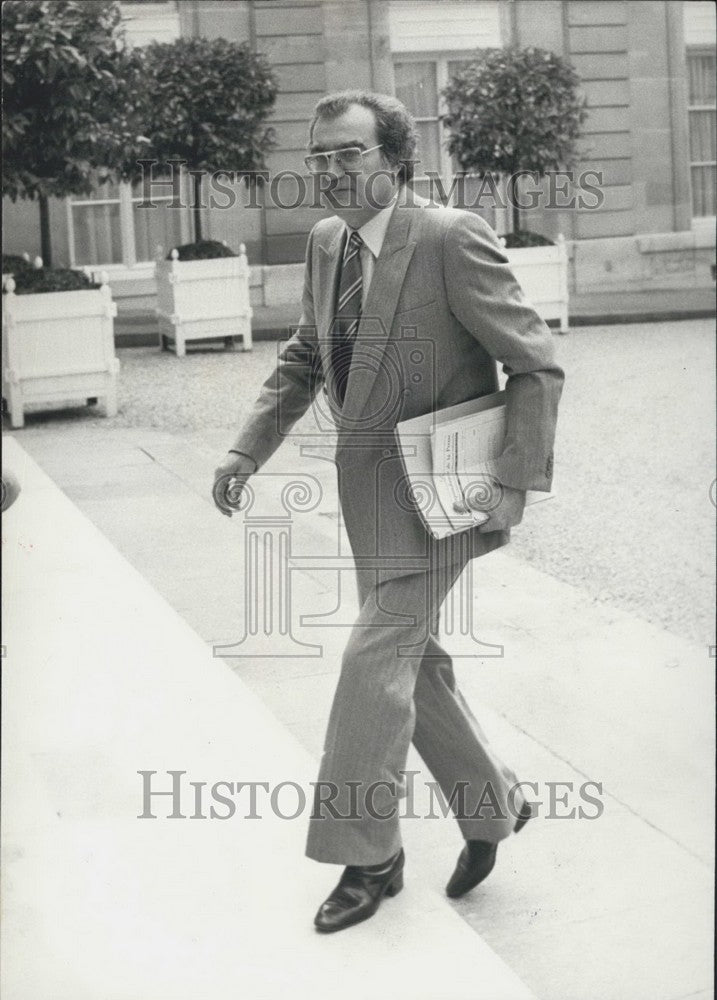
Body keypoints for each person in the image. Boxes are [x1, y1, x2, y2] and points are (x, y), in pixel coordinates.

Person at [213, 90, 564, 934]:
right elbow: (306, 356)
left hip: (444, 496)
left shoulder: (447, 237)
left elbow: (534, 362)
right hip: (368, 495)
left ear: (396, 159)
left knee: (372, 664)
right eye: (319, 155)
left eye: (350, 152)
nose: (331, 169)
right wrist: (246, 450)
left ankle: (368, 853)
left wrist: (513, 481)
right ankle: (492, 805)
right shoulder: (326, 241)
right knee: (412, 659)